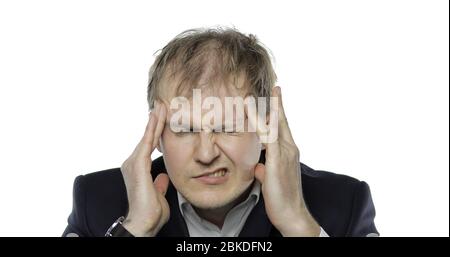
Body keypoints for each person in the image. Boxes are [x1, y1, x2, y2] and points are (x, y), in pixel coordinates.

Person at [62, 27, 378, 237]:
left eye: (227, 126)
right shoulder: (98, 202)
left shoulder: (342, 203)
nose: (206, 154)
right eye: (184, 128)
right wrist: (134, 230)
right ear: (156, 133)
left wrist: (299, 225)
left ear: (266, 127)